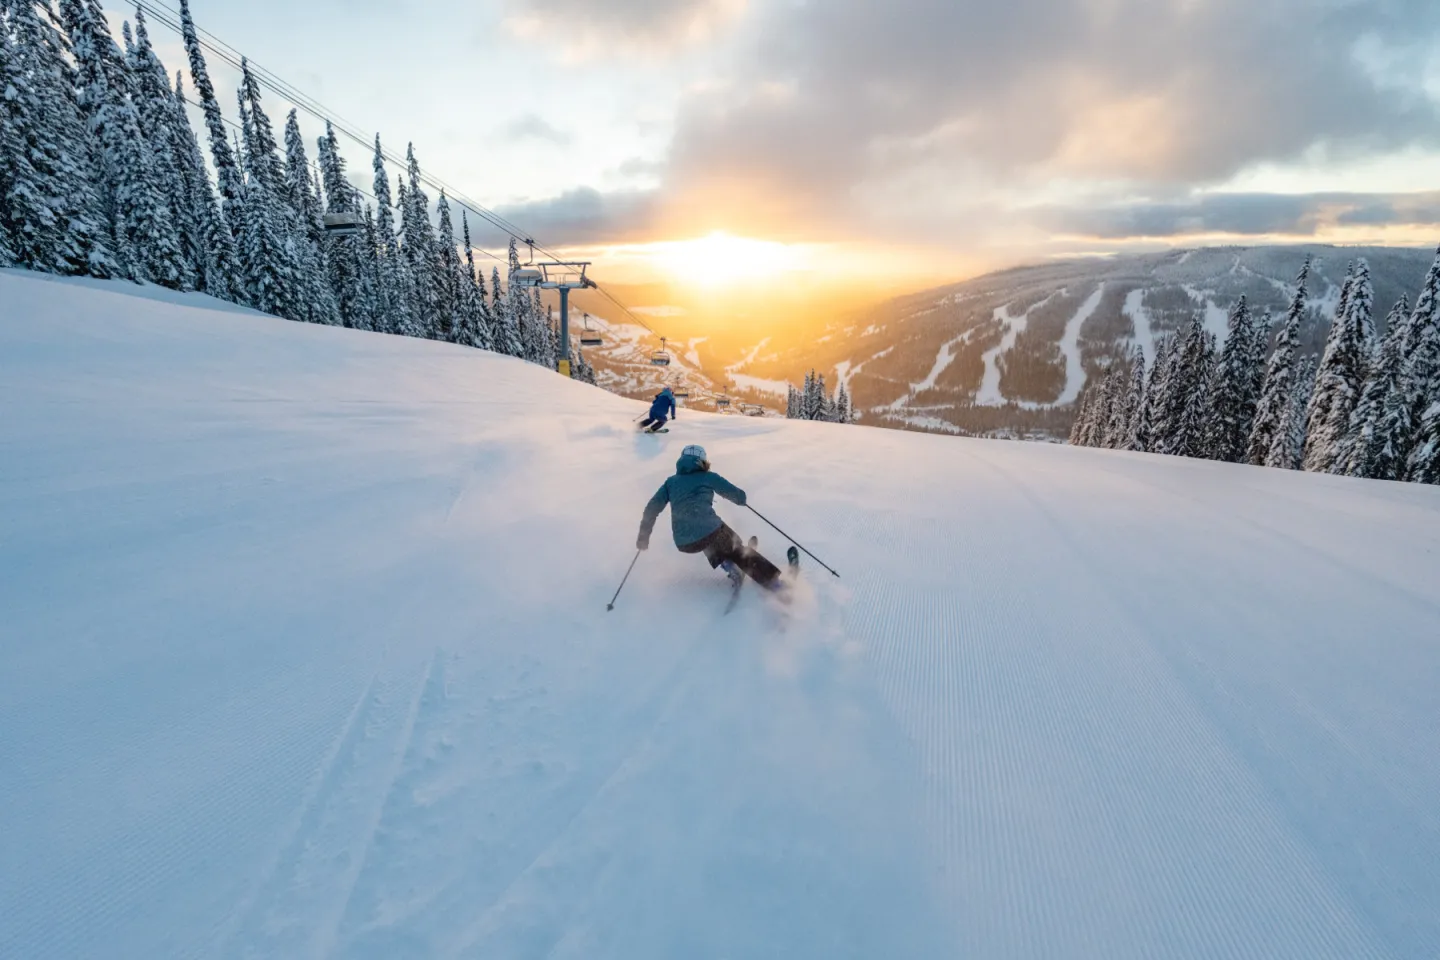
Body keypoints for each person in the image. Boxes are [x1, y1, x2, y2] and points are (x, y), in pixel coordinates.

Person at [636, 444, 789, 592]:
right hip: (709, 530)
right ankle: (774, 583)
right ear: (703, 461)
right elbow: (735, 494)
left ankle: (727, 564)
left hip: (684, 542)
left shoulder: (670, 483)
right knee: (735, 548)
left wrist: (643, 536)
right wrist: (741, 500)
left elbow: (651, 509)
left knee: (706, 538)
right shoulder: (707, 477)